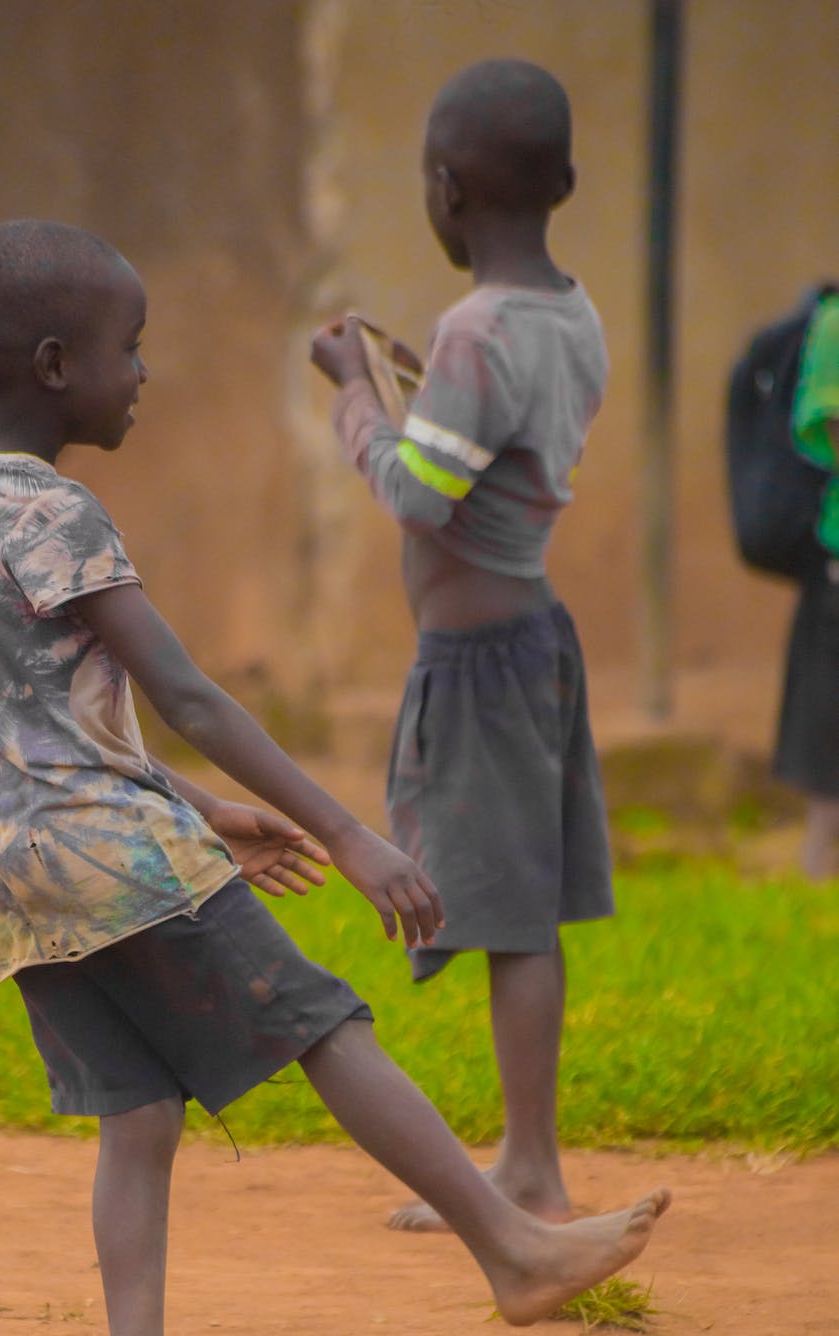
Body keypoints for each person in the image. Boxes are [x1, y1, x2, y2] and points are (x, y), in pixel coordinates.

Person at [0, 217, 669, 1336]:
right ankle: (514, 1248)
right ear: (53, 367)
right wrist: (350, 834)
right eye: (126, 349)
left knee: (138, 1111)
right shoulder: (59, 513)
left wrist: (198, 811)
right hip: (108, 855)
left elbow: (14, 722)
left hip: (10, 873)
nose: (142, 372)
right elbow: (192, 695)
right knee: (321, 1021)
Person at [311, 58, 612, 1233]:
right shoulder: (570, 313)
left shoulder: (475, 330)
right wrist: (405, 389)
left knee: (510, 916)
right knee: (520, 912)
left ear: (443, 191)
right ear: (567, 182)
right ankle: (525, 1154)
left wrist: (353, 395)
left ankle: (529, 1170)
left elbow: (422, 496)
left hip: (480, 662)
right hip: (532, 637)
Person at [774, 290, 839, 879]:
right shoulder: (835, 324)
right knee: (826, 754)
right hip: (836, 560)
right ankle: (818, 878)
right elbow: (831, 430)